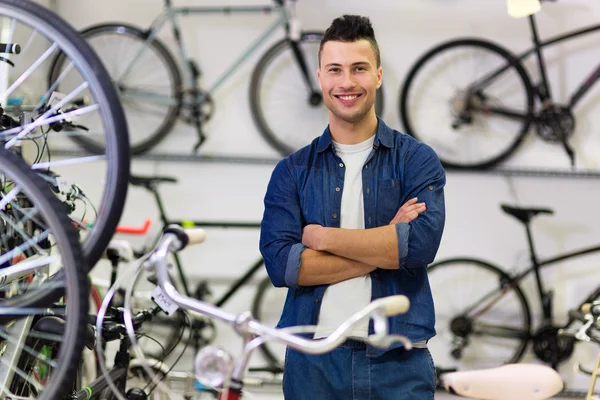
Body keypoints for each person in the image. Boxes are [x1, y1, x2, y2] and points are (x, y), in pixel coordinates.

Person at [259, 14, 445, 400]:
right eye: (335, 70)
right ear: (320, 78)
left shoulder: (415, 160)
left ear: (377, 75)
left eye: (359, 69)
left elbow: (418, 247)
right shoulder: (292, 171)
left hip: (399, 359)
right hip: (313, 361)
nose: (346, 82)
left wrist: (324, 238)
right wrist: (385, 242)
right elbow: (284, 266)